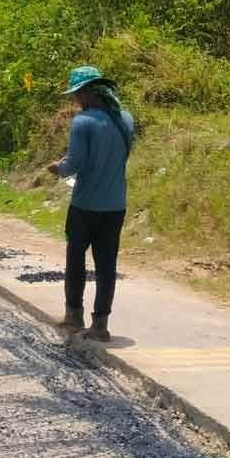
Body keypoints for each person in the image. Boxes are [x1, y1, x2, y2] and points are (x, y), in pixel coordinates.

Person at [48, 66, 135, 342]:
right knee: (106, 265)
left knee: (76, 259)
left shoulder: (83, 122)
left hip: (85, 205)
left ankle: (74, 316)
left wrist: (57, 169)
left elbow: (74, 165)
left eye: (76, 94)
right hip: (115, 206)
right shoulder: (126, 120)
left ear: (86, 94)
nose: (74, 100)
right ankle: (101, 325)